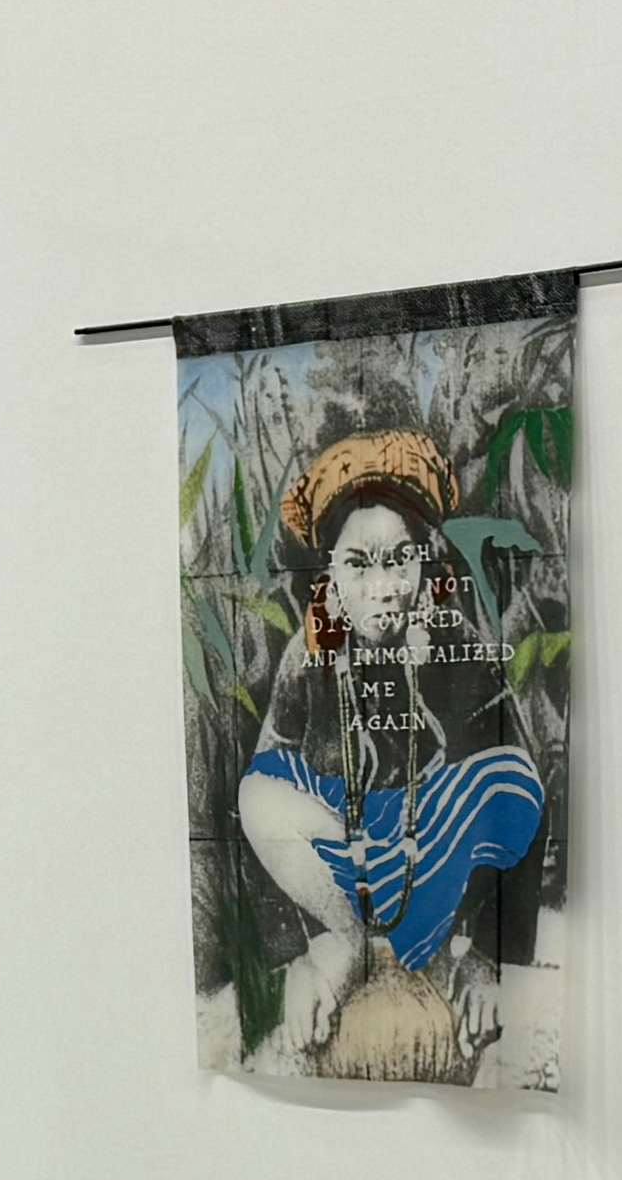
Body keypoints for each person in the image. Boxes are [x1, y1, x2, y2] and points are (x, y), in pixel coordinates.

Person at [234, 429, 552, 1080]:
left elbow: (515, 791)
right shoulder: (307, 657)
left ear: (423, 565)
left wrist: (487, 957)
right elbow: (264, 798)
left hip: (431, 862)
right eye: (358, 564)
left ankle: (450, 956)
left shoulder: (455, 644)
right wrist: (298, 953)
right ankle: (344, 942)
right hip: (341, 872)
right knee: (256, 794)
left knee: (513, 778)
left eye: (399, 560)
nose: (382, 587)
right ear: (329, 574)